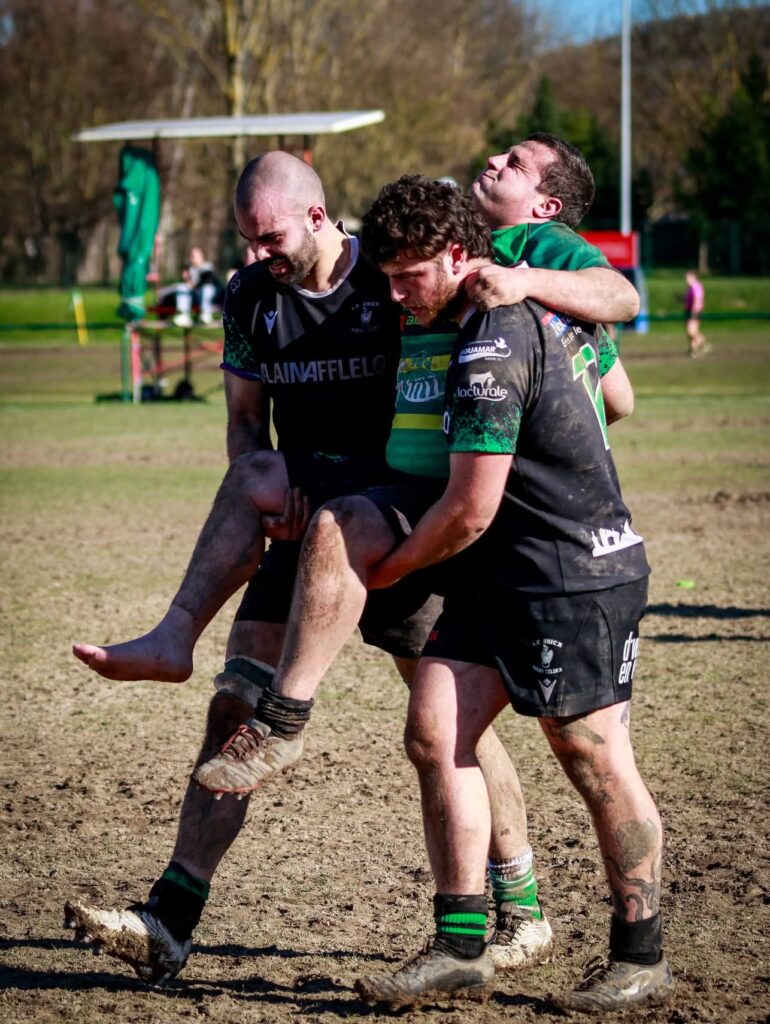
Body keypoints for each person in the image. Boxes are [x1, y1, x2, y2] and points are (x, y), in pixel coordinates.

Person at [66, 139, 639, 986]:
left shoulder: (403, 266)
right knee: (236, 707)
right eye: (246, 240)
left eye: (270, 239)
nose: (258, 256)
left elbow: (611, 341)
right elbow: (244, 423)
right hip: (310, 516)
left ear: (318, 215)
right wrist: (270, 501)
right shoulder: (251, 296)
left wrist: (550, 358)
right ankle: (169, 918)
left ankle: (521, 906)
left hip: (402, 517)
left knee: (449, 727)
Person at [326, 176, 669, 1012]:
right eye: (387, 278)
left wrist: (387, 570)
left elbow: (469, 509)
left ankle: (641, 955)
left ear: (457, 255)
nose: (396, 296)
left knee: (591, 756)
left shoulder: (493, 337)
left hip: (569, 572)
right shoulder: (479, 313)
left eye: (409, 277)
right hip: (499, 571)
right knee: (437, 731)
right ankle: (460, 947)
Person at [684, 269, 707, 357]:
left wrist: (694, 311)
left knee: (691, 331)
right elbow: (688, 299)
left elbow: (697, 300)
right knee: (690, 332)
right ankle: (693, 350)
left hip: (694, 311)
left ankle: (703, 344)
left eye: (687, 277)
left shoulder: (696, 287)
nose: (686, 279)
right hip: (689, 310)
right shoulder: (690, 288)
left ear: (693, 277)